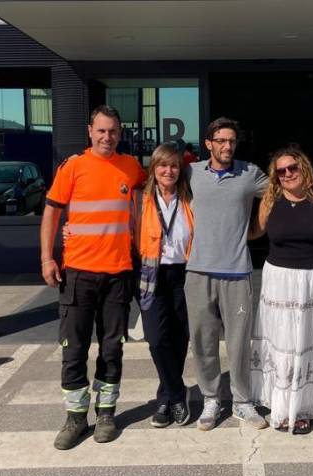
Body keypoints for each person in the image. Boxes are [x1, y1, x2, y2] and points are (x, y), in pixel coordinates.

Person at [40, 105, 146, 449]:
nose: (107, 137)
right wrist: (47, 258)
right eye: (101, 131)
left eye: (113, 131)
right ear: (90, 131)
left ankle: (105, 414)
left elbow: (150, 200)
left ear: (120, 132)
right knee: (74, 350)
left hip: (118, 274)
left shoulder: (131, 167)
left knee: (112, 348)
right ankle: (74, 419)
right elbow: (52, 214)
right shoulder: (73, 167)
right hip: (79, 275)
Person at [248, 146, 313, 434]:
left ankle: (304, 407)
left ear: (303, 167)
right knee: (282, 344)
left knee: (309, 341)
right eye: (281, 171)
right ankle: (281, 404)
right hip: (279, 281)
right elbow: (251, 232)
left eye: (292, 167)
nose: (287, 174)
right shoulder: (270, 201)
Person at [185, 117, 269, 431]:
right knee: (203, 340)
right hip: (198, 270)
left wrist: (259, 228)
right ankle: (210, 399)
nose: (227, 146)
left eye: (231, 140)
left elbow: (279, 191)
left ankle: (243, 402)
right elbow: (156, 183)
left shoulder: (249, 173)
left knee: (239, 342)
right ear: (208, 143)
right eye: (220, 140)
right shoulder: (191, 172)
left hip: (236, 272)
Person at [134, 143, 195, 428]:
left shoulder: (190, 197)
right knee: (157, 339)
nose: (168, 171)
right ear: (153, 169)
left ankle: (164, 400)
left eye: (173, 165)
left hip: (185, 273)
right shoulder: (140, 199)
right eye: (162, 165)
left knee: (180, 337)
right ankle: (177, 394)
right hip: (152, 273)